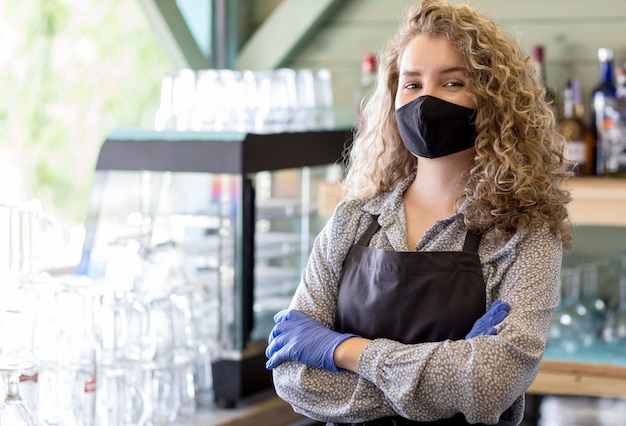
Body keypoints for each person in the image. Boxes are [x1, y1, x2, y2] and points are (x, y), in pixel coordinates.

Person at [265, 0, 572, 424]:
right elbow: (293, 374)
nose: (426, 101)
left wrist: (343, 350)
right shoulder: (351, 221)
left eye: (451, 83)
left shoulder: (524, 233)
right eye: (412, 84)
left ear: (492, 100)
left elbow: (492, 382)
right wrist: (452, 378)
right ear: (392, 96)